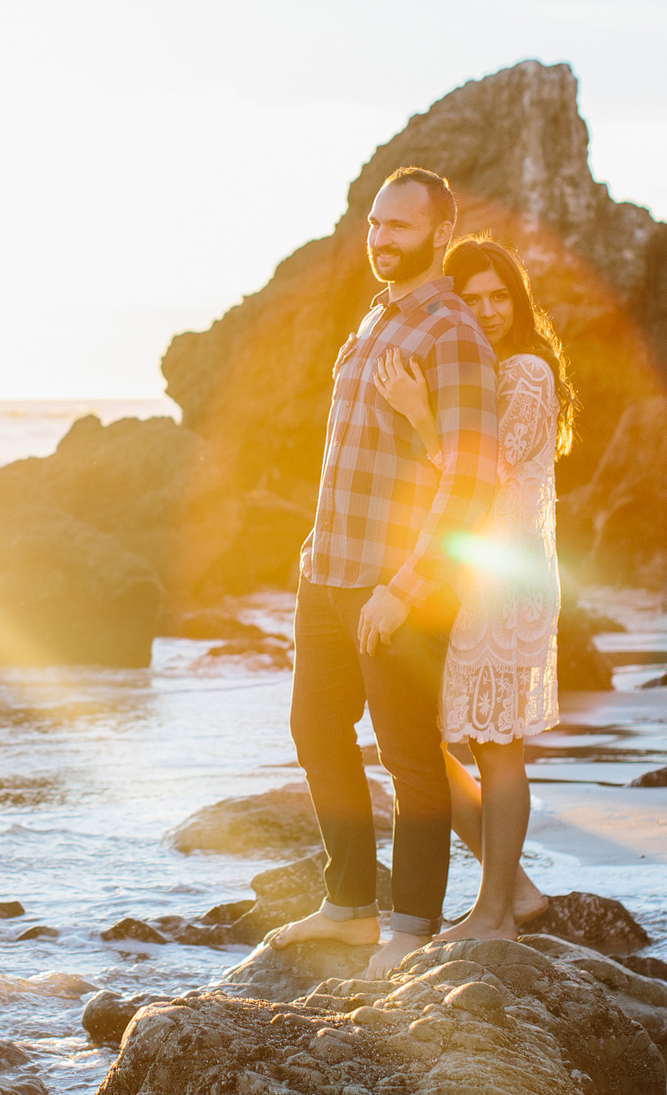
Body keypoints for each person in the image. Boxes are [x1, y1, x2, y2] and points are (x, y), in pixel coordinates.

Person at [268, 166, 498, 979]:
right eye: (374, 224)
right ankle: (350, 906)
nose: (382, 238)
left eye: (400, 225)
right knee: (314, 729)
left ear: (440, 232)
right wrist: (311, 562)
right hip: (327, 571)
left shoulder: (452, 332)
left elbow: (472, 476)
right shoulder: (373, 321)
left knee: (408, 756)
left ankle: (412, 927)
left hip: (397, 583)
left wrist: (406, 585)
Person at [373, 236, 575, 942]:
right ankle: (511, 888)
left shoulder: (524, 371)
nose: (488, 310)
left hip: (504, 578)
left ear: (518, 305)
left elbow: (479, 471)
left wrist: (418, 412)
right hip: (479, 573)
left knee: (498, 748)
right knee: (430, 740)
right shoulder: (483, 371)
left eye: (501, 297)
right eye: (475, 297)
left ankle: (495, 916)